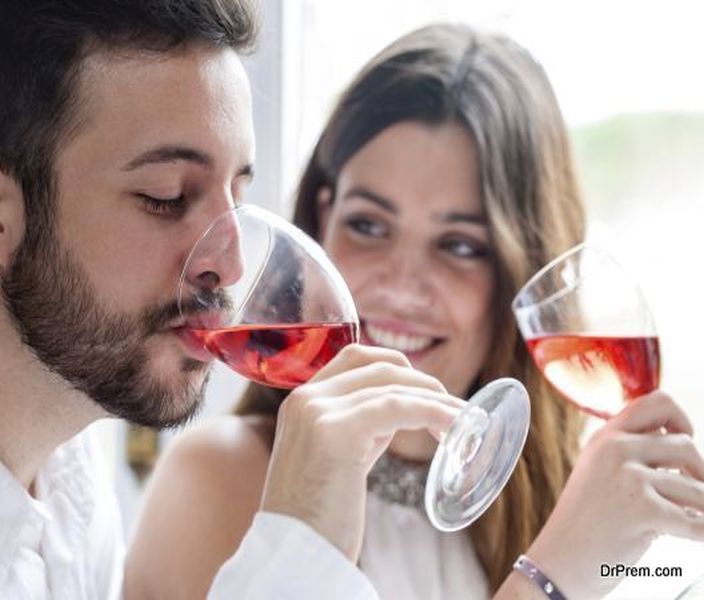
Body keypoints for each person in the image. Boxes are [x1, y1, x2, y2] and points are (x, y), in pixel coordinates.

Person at [0, 2, 482, 598]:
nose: (230, 266)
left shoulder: (70, 470)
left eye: (237, 197)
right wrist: (301, 544)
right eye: (167, 197)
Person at [127, 23, 704, 600]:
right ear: (322, 220)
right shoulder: (222, 482)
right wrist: (553, 580)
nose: (402, 286)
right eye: (369, 226)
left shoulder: (572, 503)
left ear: (521, 274)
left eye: (459, 246)